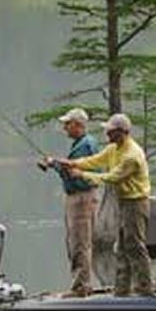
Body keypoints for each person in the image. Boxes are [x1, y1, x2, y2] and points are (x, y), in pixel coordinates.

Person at [52, 114, 152, 295]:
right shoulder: (113, 148)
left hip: (136, 203)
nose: (106, 133)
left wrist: (82, 175)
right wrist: (72, 163)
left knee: (135, 245)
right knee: (121, 247)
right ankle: (122, 290)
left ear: (122, 132)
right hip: (123, 202)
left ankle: (144, 288)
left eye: (110, 131)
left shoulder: (132, 156)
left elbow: (112, 177)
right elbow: (95, 160)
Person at [39, 108, 102, 296]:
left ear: (78, 124)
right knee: (78, 243)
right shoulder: (83, 143)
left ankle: (81, 287)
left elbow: (76, 175)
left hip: (81, 198)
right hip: (82, 197)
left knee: (79, 243)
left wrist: (54, 164)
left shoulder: (84, 145)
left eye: (68, 123)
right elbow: (71, 169)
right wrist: (56, 164)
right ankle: (81, 284)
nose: (65, 127)